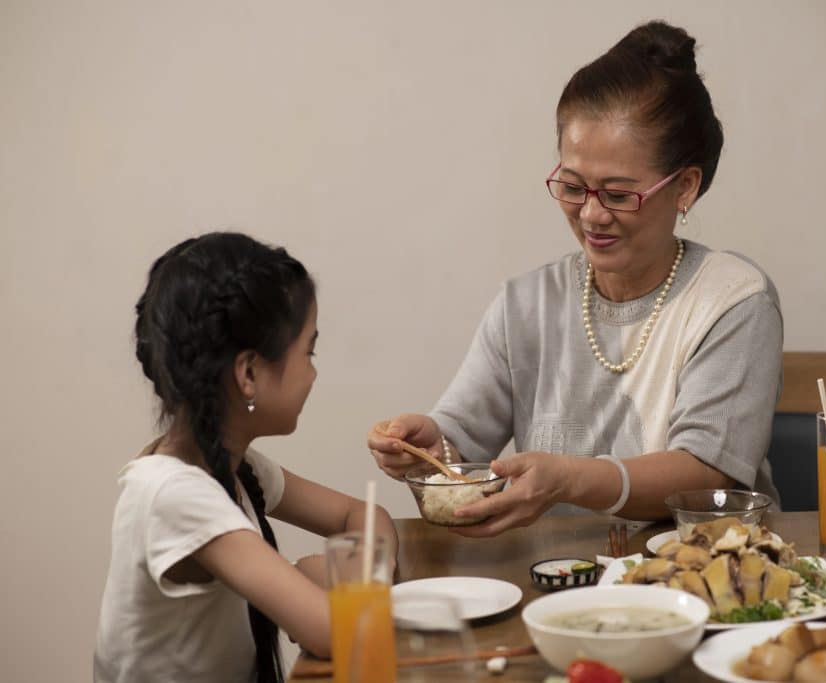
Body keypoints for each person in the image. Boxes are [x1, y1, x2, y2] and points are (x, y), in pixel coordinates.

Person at [368, 20, 782, 537]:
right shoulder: (526, 304)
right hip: (555, 573)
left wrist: (567, 479)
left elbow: (705, 473)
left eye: (618, 194)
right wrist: (431, 446)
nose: (590, 215)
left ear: (685, 186)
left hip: (704, 569)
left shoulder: (731, 299)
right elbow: (460, 441)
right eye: (572, 186)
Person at [94, 232, 397, 683]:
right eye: (308, 351)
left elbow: (363, 515)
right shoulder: (172, 494)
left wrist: (358, 579)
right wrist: (320, 578)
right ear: (249, 372)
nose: (313, 373)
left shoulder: (237, 468)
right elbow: (334, 633)